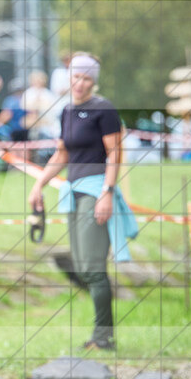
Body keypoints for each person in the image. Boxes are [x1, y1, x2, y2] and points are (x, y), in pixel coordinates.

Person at [28, 53, 136, 351]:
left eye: (87, 78)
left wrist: (107, 193)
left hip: (96, 190)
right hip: (72, 192)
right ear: (69, 77)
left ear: (94, 81)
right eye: (76, 77)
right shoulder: (66, 111)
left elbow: (115, 153)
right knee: (83, 267)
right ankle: (101, 335)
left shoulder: (104, 110)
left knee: (92, 267)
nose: (80, 83)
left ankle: (104, 337)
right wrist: (39, 184)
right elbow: (62, 154)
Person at [20, 70, 58, 164]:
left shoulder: (47, 94)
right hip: (32, 125)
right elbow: (25, 107)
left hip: (46, 124)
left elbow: (51, 109)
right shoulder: (28, 93)